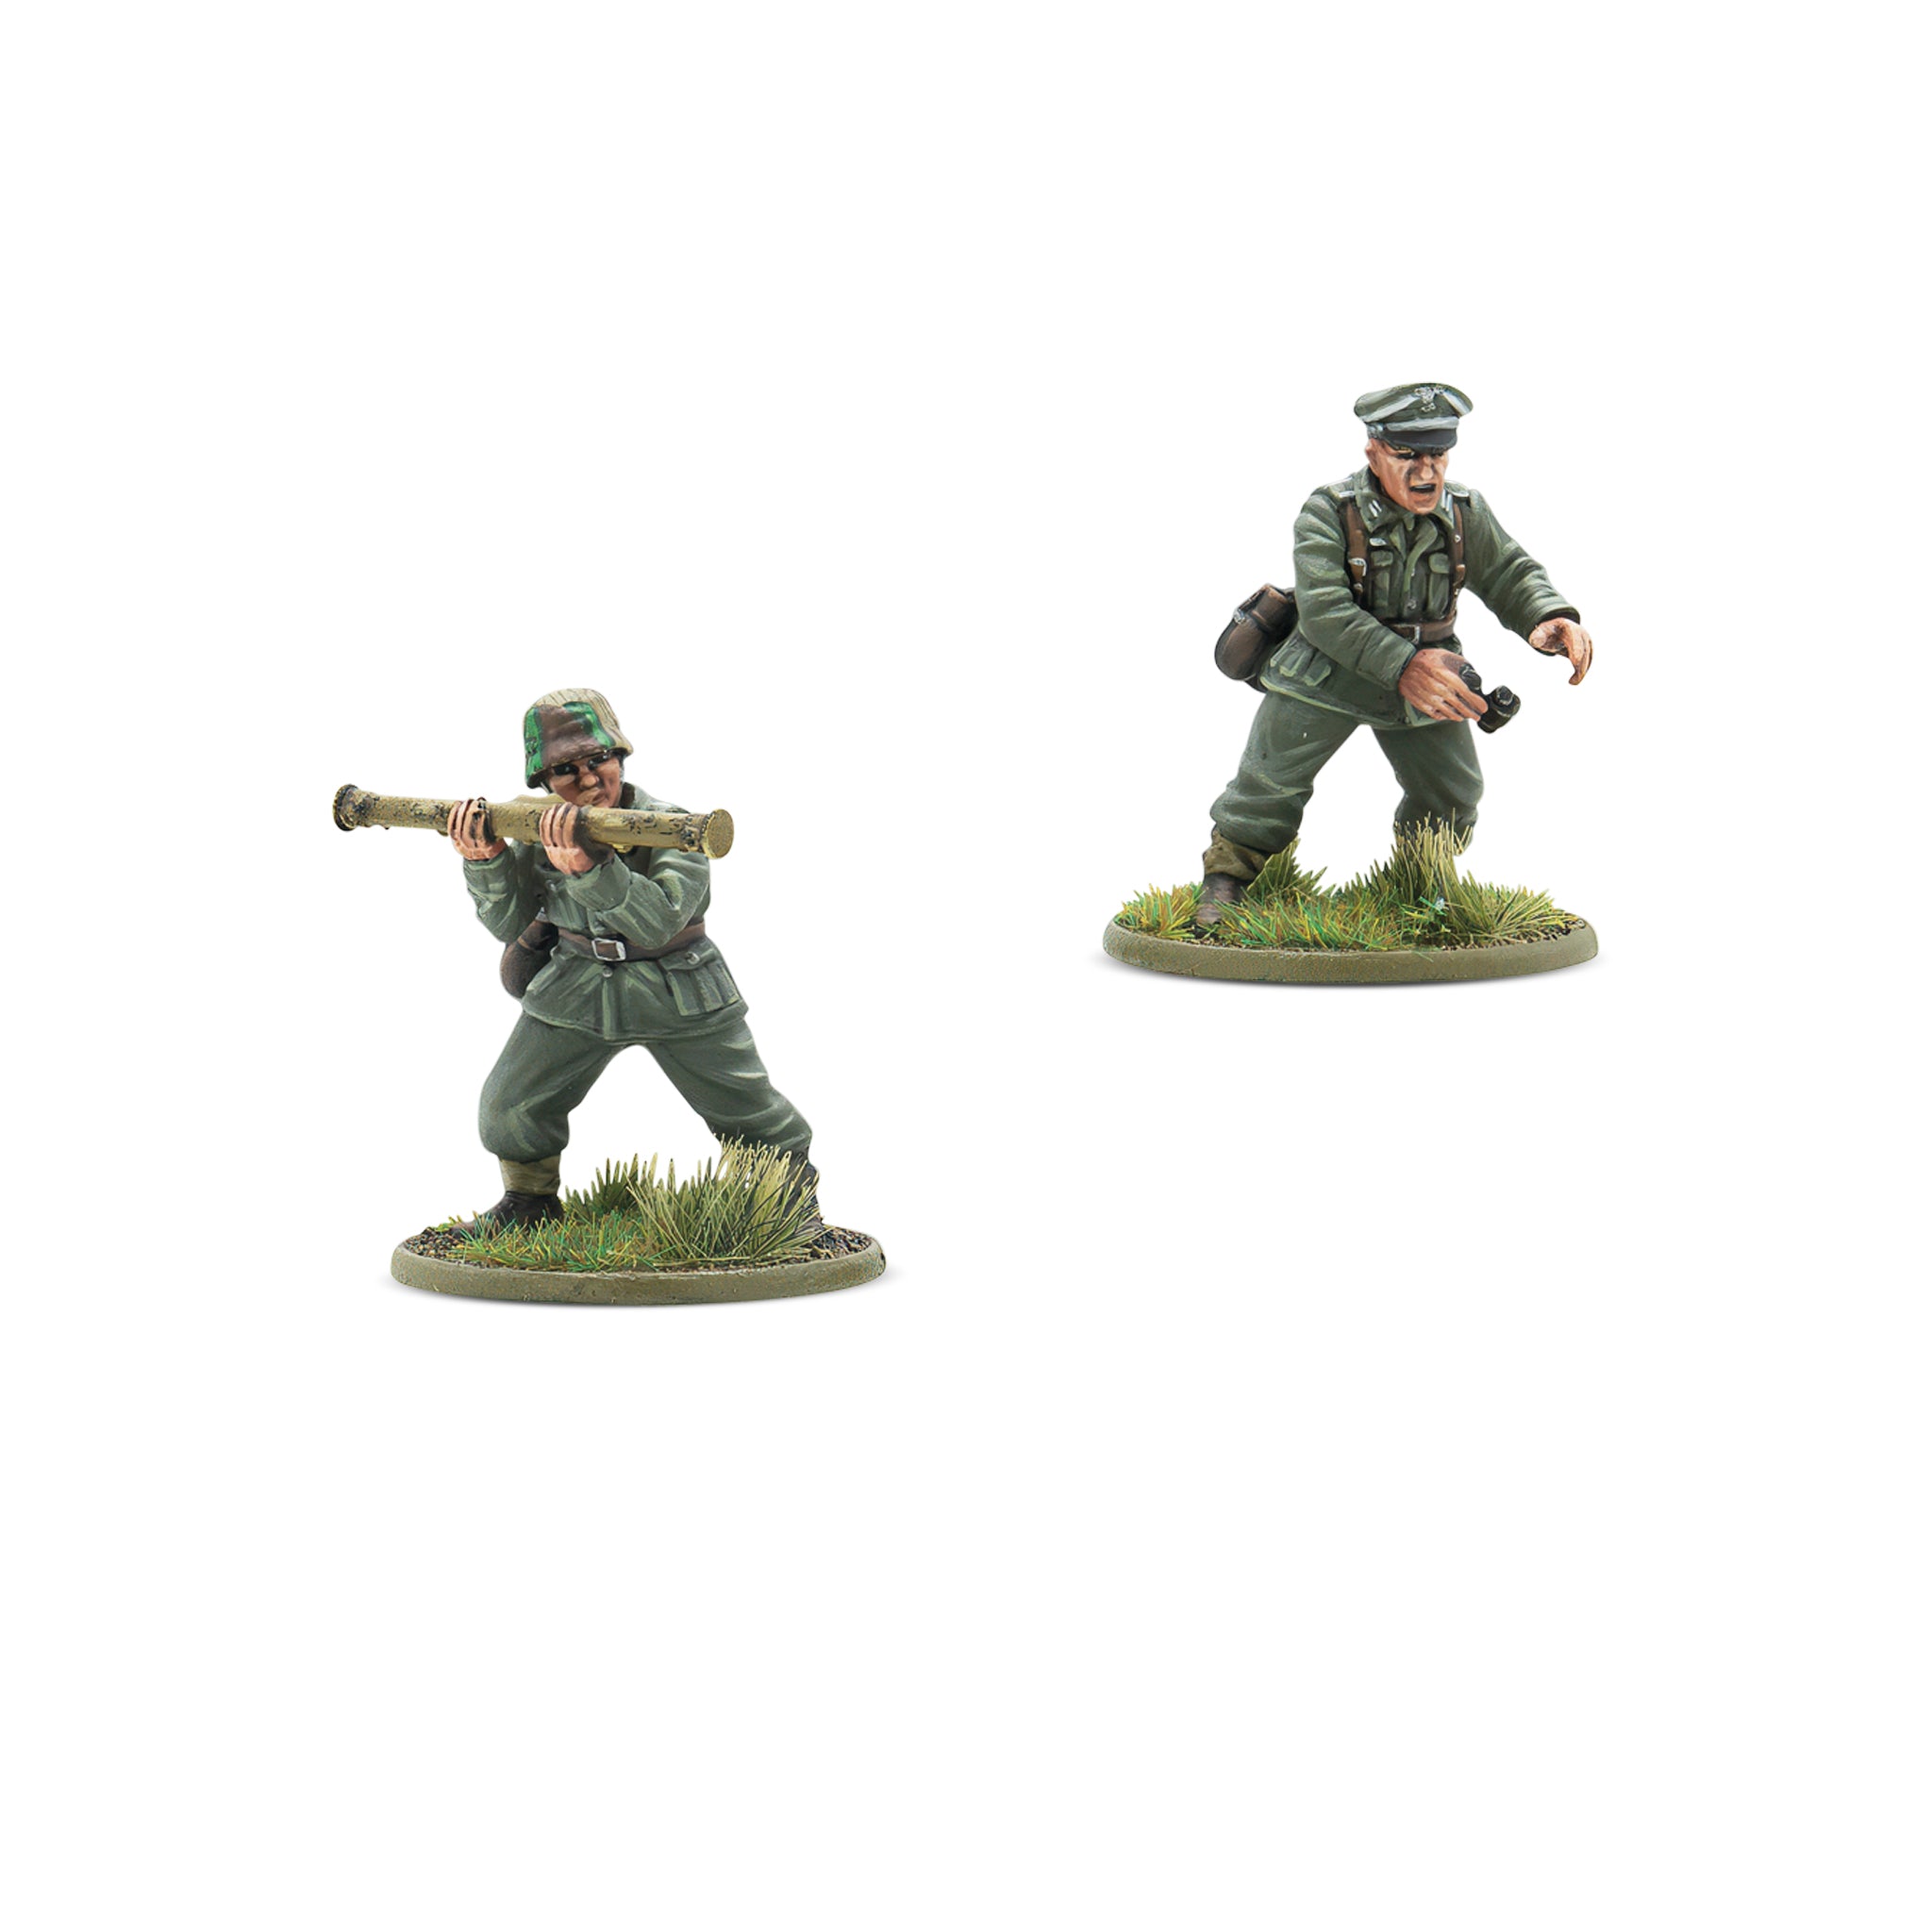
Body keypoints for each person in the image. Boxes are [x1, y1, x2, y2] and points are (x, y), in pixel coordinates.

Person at [1196, 384, 1594, 927]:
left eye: (1438, 454)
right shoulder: (1329, 511)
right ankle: (1227, 881)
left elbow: (1508, 570)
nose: (1426, 471)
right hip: (1324, 675)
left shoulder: (1464, 512)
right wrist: (1404, 665)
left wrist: (1547, 615)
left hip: (1431, 679)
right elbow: (1325, 611)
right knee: (1268, 781)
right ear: (1374, 452)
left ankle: (1422, 882)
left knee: (1453, 792)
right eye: (1407, 455)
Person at [446, 687, 816, 1228]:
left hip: (677, 987)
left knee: (747, 1107)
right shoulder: (536, 826)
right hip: (575, 986)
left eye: (599, 760)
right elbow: (506, 925)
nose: (589, 779)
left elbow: (659, 921)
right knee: (510, 1103)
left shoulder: (672, 826)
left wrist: (591, 870)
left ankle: (787, 1206)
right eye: (566, 769)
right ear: (544, 780)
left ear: (620, 757)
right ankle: (529, 1203)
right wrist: (486, 862)